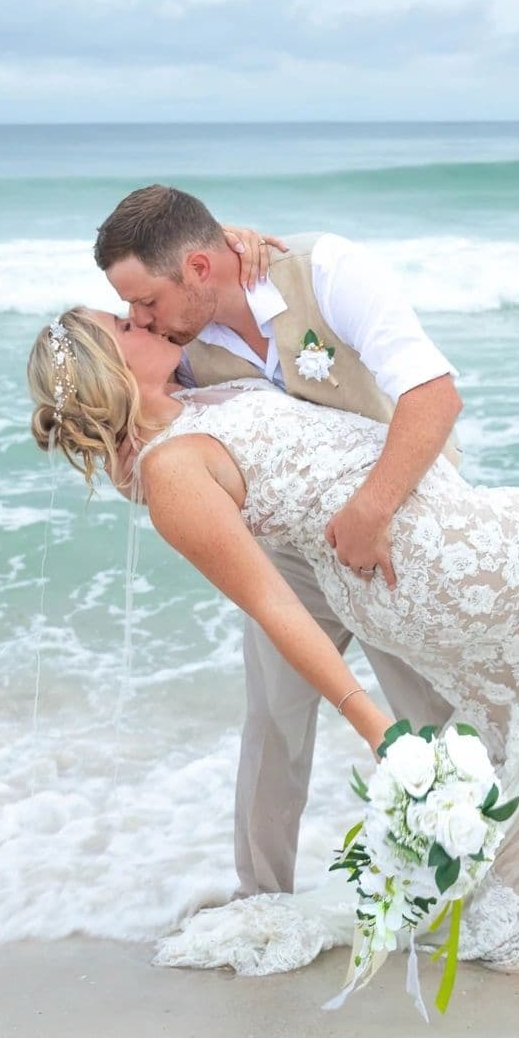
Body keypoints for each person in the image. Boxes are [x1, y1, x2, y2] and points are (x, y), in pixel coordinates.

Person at [25, 297, 519, 974]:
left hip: (437, 530)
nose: (144, 317)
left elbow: (234, 300)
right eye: (125, 323)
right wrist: (372, 723)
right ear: (115, 364)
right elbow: (275, 607)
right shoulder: (170, 477)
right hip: (427, 562)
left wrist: (247, 254)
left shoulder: (192, 394)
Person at [94, 184, 462, 900]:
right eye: (131, 309)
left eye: (147, 302)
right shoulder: (172, 348)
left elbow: (434, 395)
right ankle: (261, 898)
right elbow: (131, 441)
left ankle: (454, 878)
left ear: (199, 268)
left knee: (430, 712)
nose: (140, 319)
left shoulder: (325, 273)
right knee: (274, 723)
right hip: (291, 552)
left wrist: (374, 508)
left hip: (396, 530)